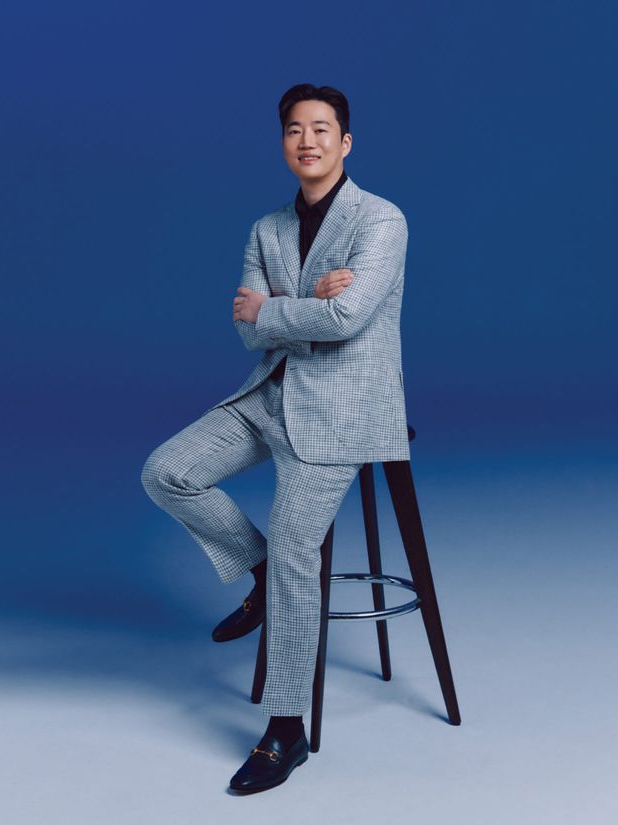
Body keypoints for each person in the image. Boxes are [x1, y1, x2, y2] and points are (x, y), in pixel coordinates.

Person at [140, 82, 411, 794]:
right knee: (166, 472)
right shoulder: (266, 229)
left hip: (344, 412)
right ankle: (256, 571)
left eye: (321, 129)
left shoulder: (381, 220)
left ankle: (286, 729)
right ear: (283, 142)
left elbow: (347, 318)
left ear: (345, 142)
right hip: (270, 395)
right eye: (295, 129)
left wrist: (277, 308)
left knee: (299, 549)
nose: (307, 141)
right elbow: (245, 329)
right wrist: (303, 304)